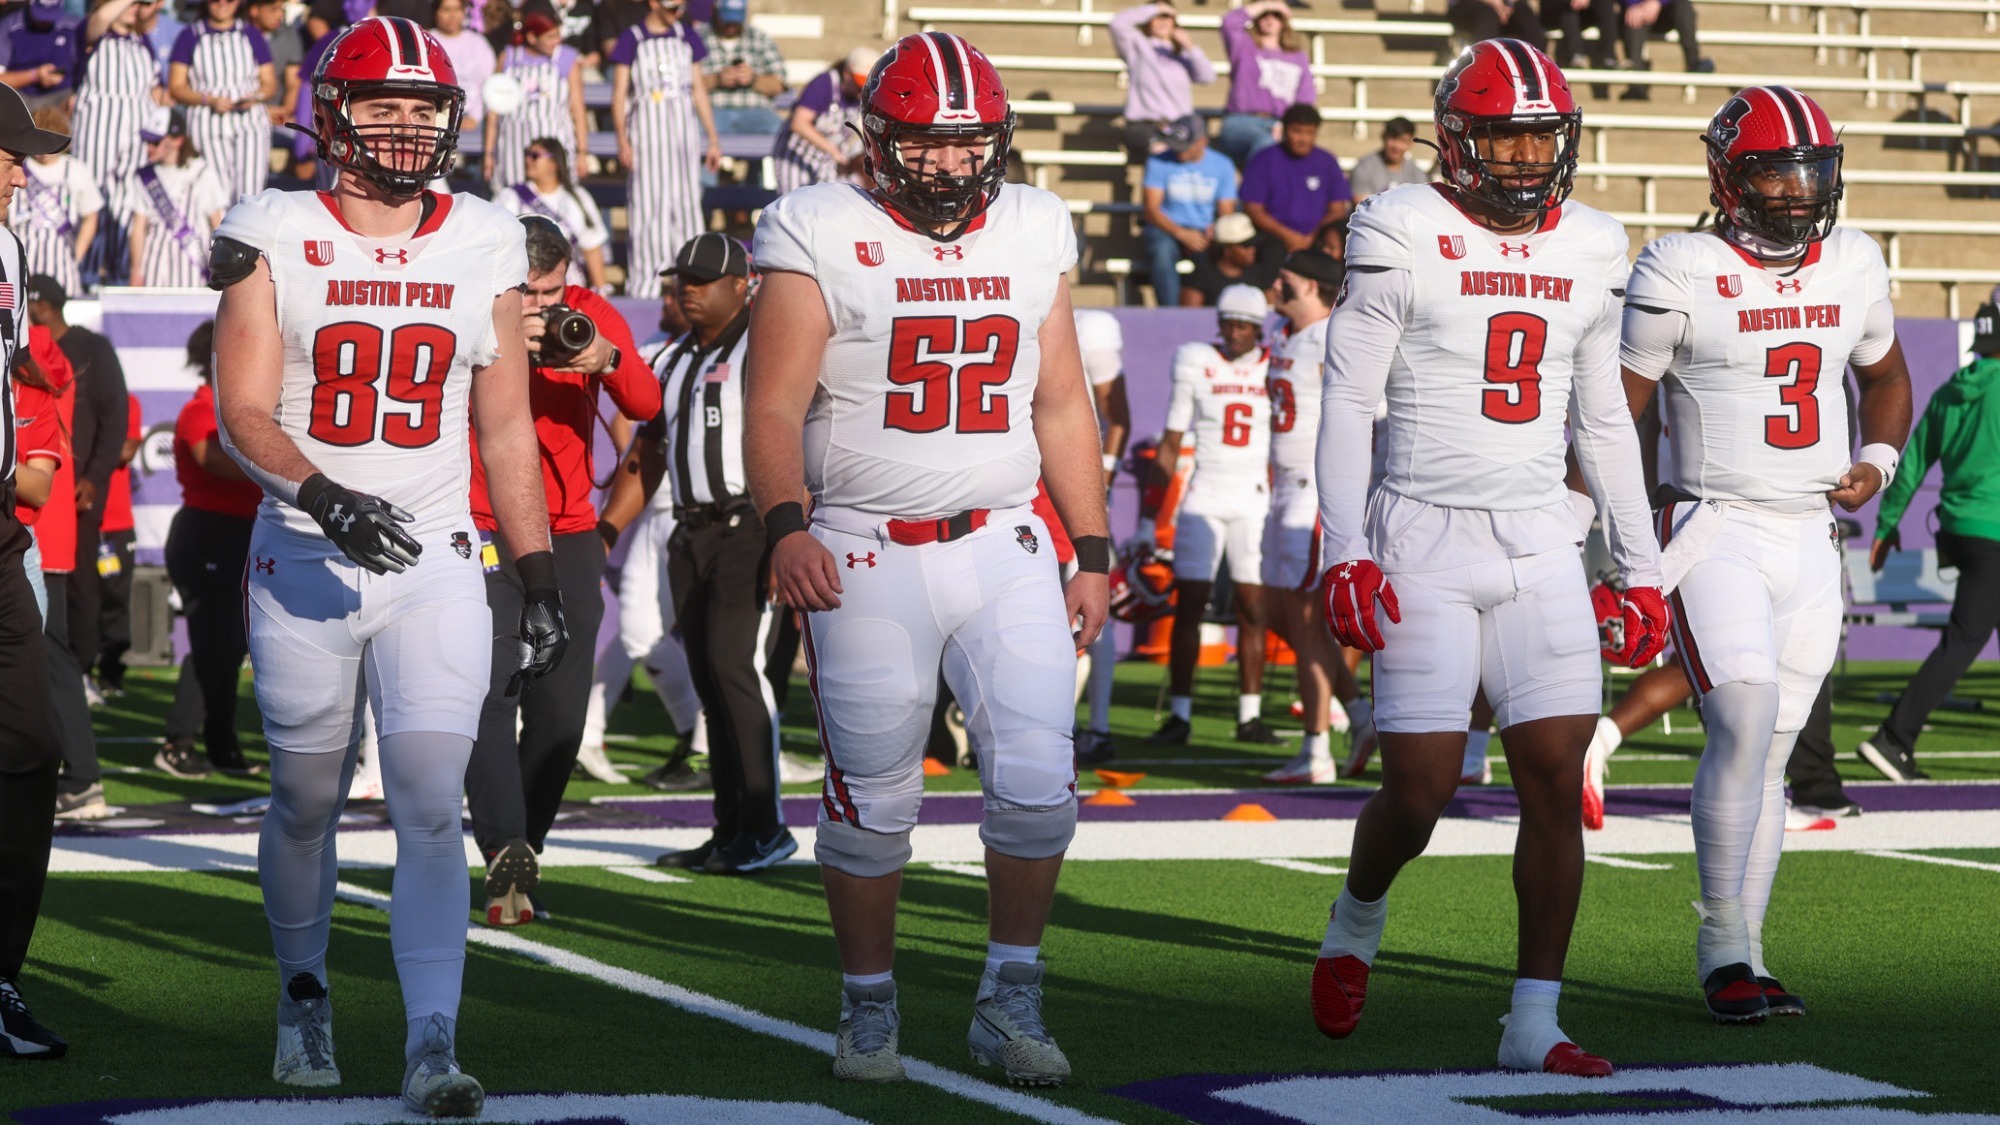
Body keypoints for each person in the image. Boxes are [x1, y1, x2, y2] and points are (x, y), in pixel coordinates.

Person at [210, 16, 563, 1114]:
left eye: (425, 108)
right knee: (305, 798)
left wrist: (538, 573)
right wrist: (323, 495)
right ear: (333, 113)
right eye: (383, 105)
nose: (407, 126)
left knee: (427, 801)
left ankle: (431, 1040)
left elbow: (506, 429)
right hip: (306, 551)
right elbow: (243, 410)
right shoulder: (274, 227)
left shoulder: (487, 237)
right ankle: (303, 992)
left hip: (435, 555)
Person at [744, 31, 1110, 1086]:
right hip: (863, 546)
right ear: (876, 140)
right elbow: (771, 404)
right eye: (926, 144)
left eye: (969, 142)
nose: (951, 164)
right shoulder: (817, 224)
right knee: (872, 800)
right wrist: (785, 524)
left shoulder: (1033, 222)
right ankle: (867, 1005)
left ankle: (1009, 995)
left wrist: (1090, 546)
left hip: (1003, 537)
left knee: (1039, 784)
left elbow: (1059, 400)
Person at [1311, 40, 1667, 1074]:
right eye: (1504, 135)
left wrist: (1637, 564)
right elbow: (1348, 398)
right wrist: (1343, 548)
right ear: (1455, 139)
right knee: (1418, 791)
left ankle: (1532, 1019)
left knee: (1553, 780)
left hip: (1541, 539)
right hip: (1421, 534)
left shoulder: (1592, 241)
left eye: (1540, 136)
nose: (1524, 156)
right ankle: (1355, 916)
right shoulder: (1398, 224)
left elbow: (1603, 418)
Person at [1620, 85, 1909, 1023]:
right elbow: (1619, 413)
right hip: (1716, 524)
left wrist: (1877, 458)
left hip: (1811, 533)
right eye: (1775, 171)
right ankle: (1720, 948)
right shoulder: (1680, 266)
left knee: (1776, 748)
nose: (1797, 189)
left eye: (1811, 169)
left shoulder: (1854, 258)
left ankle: (1749, 948)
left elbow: (1886, 376)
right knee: (1742, 719)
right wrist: (1625, 544)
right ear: (1727, 178)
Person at [465, 215, 659, 924]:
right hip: (481, 520)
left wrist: (603, 357)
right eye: (531, 293)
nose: (545, 308)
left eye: (553, 292)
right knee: (492, 686)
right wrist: (498, 338)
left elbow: (646, 403)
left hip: (569, 527)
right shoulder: (470, 304)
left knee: (560, 713)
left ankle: (524, 855)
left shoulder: (587, 313)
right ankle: (501, 842)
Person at [612, 232, 798, 873]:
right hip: (690, 529)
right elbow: (650, 449)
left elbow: (801, 434)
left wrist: (789, 532)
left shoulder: (765, 345)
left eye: (701, 280)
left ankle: (765, 827)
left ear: (743, 285)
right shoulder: (672, 357)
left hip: (750, 525)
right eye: (680, 280)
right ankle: (730, 828)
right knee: (709, 679)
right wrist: (608, 528)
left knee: (735, 669)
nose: (685, 291)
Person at [0, 84, 72, 1053]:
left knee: (28, 747)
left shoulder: (11, 252)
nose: (21, 173)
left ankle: (1, 977)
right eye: (10, 154)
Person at [1856, 301, 2000, 782]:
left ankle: (1895, 739)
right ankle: (1894, 738)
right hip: (1993, 534)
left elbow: (1912, 462)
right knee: (1964, 639)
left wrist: (1885, 527)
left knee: (1967, 634)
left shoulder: (1950, 392)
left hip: (1960, 532)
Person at [1143, 284, 1283, 747]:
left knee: (1253, 607)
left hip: (1253, 497)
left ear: (1258, 328)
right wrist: (1148, 517)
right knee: (1190, 604)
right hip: (1204, 494)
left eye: (1244, 325)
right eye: (1228, 324)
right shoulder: (1196, 359)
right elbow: (1171, 440)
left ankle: (1250, 715)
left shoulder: (1276, 363)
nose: (1235, 332)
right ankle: (1180, 715)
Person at [1258, 250, 1367, 785]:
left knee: (1305, 622)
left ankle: (1317, 748)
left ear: (1309, 285)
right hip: (1282, 487)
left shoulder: (1331, 336)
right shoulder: (1286, 334)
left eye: (1285, 279)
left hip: (1311, 488)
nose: (1274, 286)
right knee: (1281, 614)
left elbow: (1367, 411)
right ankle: (1360, 714)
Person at [157, 319, 262, 778]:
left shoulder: (238, 408)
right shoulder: (202, 409)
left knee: (230, 644)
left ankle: (221, 744)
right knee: (212, 642)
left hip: (238, 533)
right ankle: (178, 742)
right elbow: (210, 459)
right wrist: (275, 461)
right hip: (207, 534)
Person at [25, 277, 126, 732]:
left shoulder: (86, 350)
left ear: (41, 307)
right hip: (42, 493)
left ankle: (80, 670)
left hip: (67, 493)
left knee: (79, 589)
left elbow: (115, 417)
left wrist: (94, 478)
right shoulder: (30, 353)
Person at [609, 0, 721, 299]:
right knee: (648, 207)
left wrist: (712, 138)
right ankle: (646, 285)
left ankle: (692, 280)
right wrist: (622, 139)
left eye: (680, 7)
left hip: (683, 134)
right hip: (646, 133)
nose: (677, 12)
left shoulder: (687, 36)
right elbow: (619, 94)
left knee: (686, 205)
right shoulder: (632, 38)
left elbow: (698, 89)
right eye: (672, 7)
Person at [1073, 307, 1131, 766]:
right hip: (1016, 482)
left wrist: (1100, 479)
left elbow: (1118, 416)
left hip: (1070, 482)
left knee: (1085, 605)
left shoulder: (1090, 325)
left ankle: (1098, 726)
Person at [74, 0, 164, 287]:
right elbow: (100, 18)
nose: (134, 6)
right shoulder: (93, 32)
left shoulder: (142, 42)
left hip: (136, 135)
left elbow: (156, 90)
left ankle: (120, 276)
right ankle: (86, 276)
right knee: (94, 200)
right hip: (98, 130)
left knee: (129, 204)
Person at [168, 0, 276, 203]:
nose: (222, 4)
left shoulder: (251, 34)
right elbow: (176, 86)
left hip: (249, 122)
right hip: (207, 121)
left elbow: (269, 83)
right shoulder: (190, 35)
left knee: (251, 190)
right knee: (216, 192)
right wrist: (208, 100)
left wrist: (254, 97)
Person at [1141, 114, 1237, 309]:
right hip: (1167, 228)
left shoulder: (1223, 165)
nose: (1178, 150)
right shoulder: (1158, 161)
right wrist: (1182, 233)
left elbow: (1226, 213)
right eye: (1176, 144)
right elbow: (1151, 210)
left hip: (1204, 231)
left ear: (1203, 142)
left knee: (1216, 255)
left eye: (1185, 146)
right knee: (1162, 251)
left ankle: (1210, 312)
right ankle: (1170, 313)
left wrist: (1212, 232)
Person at [127, 107, 229, 287]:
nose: (149, 147)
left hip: (194, 273)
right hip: (154, 270)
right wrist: (136, 269)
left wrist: (221, 267)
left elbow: (217, 223)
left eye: (155, 142)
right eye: (147, 141)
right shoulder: (144, 177)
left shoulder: (201, 172)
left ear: (177, 141)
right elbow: (138, 228)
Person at [484, 12, 585, 191]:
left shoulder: (567, 58)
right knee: (512, 198)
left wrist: (582, 153)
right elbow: (493, 111)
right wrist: (489, 154)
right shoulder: (508, 57)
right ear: (531, 37)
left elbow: (577, 110)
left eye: (558, 35)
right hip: (513, 145)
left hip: (554, 143)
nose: (556, 41)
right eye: (550, 37)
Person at [494, 136, 608, 289]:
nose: (528, 160)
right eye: (526, 154)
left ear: (554, 163)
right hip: (523, 285)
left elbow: (592, 248)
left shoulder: (577, 196)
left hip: (568, 285)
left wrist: (601, 290)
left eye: (535, 156)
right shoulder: (511, 196)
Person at [14, 108, 103, 297]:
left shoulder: (76, 171)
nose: (44, 150)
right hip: (23, 264)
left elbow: (91, 216)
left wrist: (77, 255)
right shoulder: (18, 168)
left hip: (63, 268)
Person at [1240, 103, 1351, 254]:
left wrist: (1313, 235)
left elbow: (1337, 210)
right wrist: (1288, 236)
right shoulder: (1263, 160)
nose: (1303, 139)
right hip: (1274, 238)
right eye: (1297, 131)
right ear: (1285, 130)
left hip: (1317, 237)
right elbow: (1253, 209)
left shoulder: (1327, 162)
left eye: (1309, 132)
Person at [1110, 2, 1212, 162]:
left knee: (1194, 146)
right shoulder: (1137, 46)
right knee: (1160, 152)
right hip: (1145, 126)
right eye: (1157, 17)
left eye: (1167, 17)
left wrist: (1190, 47)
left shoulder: (1183, 54)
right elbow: (1118, 23)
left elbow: (1207, 77)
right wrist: (1158, 8)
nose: (1162, 21)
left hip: (1178, 126)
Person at [1216, 0, 1313, 168]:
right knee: (1267, 144)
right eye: (1264, 15)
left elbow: (1305, 99)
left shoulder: (1298, 57)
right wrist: (1267, 4)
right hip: (1241, 120)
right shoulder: (1244, 46)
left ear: (1283, 21)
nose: (1269, 19)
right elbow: (1230, 22)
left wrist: (1287, 125)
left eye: (1276, 15)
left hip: (1281, 123)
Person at [92, 391, 140, 695]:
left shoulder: (126, 401)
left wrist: (87, 447)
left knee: (116, 601)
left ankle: (110, 674)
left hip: (116, 523)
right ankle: (80, 671)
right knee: (79, 600)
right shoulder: (68, 398)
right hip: (78, 519)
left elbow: (127, 450)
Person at [771, 46, 868, 195]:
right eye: (858, 85)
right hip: (797, 157)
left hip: (827, 162)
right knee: (796, 202)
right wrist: (833, 151)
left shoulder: (858, 95)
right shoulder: (825, 83)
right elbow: (799, 124)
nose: (860, 92)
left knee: (828, 202)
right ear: (847, 74)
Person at [697, 0, 784, 136]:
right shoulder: (698, 37)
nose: (731, 25)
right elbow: (685, 84)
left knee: (781, 131)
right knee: (694, 129)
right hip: (713, 109)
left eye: (736, 20)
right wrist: (717, 80)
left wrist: (753, 79)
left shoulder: (760, 39)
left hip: (756, 111)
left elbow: (778, 85)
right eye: (727, 19)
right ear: (715, 11)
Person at [1608, 0, 1713, 100]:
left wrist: (1658, 2)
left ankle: (1694, 63)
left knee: (1683, 7)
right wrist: (1634, 5)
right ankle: (1636, 87)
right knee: (1634, 21)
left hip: (1667, 9)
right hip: (1636, 11)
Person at [1183, 210, 1283, 308]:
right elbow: (1190, 314)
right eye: (1246, 245)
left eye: (1254, 244)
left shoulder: (1259, 274)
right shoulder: (1201, 275)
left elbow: (1271, 310)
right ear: (1227, 250)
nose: (1252, 249)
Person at [1, 0, 83, 109]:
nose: (45, 21)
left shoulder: (73, 27)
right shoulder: (10, 26)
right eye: (41, 14)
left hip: (61, 96)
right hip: (20, 96)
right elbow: (1, 79)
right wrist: (35, 75)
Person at [431, 0, 495, 136]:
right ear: (436, 12)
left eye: (457, 10)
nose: (452, 15)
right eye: (446, 10)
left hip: (473, 123)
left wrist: (475, 116)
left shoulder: (478, 43)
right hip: (437, 122)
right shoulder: (428, 40)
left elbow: (489, 84)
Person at [246, 0, 303, 136]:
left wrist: (285, 110)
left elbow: (294, 83)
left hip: (278, 115)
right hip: (241, 111)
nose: (280, 15)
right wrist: (262, 111)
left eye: (281, 9)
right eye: (273, 9)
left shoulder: (289, 36)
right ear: (255, 10)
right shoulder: (238, 36)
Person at [1346, 117, 1429, 203]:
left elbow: (1421, 205)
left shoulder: (1417, 174)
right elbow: (1363, 205)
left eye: (1403, 141)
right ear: (1384, 137)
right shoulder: (1364, 167)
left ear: (1411, 143)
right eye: (1393, 138)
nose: (1396, 146)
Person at [1448, 0, 1548, 56]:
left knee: (1527, 18)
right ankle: (1479, 67)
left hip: (1508, 5)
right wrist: (1495, 3)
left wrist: (1508, 5)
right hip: (1467, 5)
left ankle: (1536, 69)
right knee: (1488, 17)